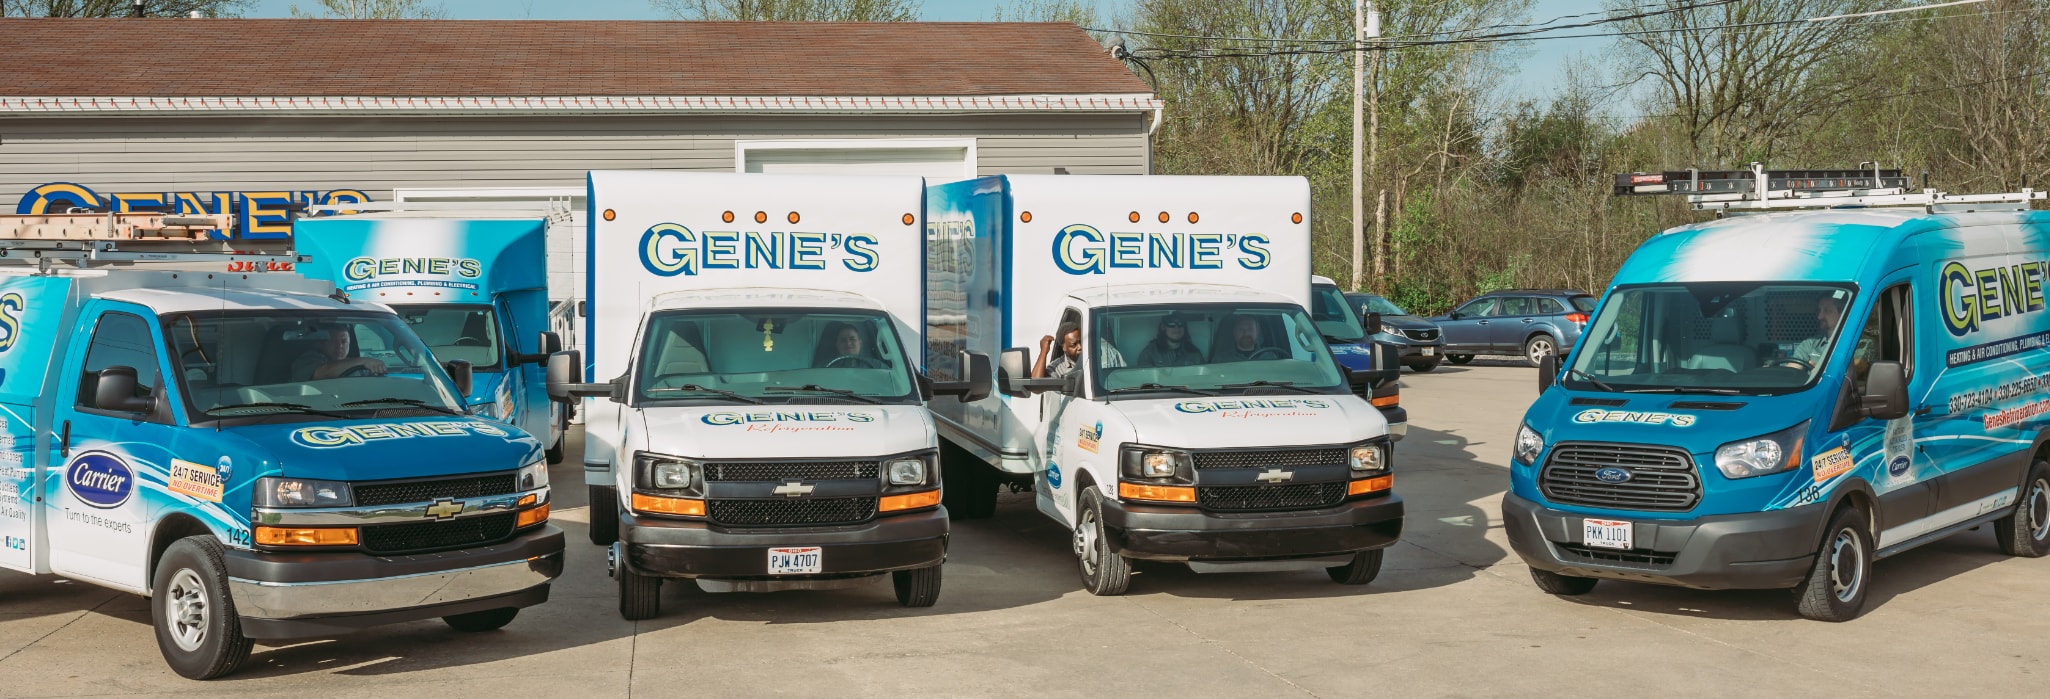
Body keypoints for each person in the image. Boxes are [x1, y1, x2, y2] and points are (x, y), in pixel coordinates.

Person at [292, 324, 385, 380]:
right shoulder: (307, 360)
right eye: (333, 341)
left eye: (344, 341)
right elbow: (321, 373)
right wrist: (362, 361)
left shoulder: (354, 364)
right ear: (321, 344)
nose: (339, 346)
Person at [1033, 322, 1126, 378]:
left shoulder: (1107, 352)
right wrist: (1043, 352)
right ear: (1064, 347)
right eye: (1074, 345)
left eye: (1081, 341)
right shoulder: (1058, 368)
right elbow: (1036, 387)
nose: (1080, 347)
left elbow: (1125, 376)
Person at [1787, 295, 1845, 367]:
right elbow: (1793, 369)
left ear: (1842, 314)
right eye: (1819, 311)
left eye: (1827, 310)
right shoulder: (1810, 343)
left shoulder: (1853, 344)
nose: (1819, 316)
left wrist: (1820, 372)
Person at [1134, 314, 1204, 368]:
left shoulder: (1195, 353)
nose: (1177, 328)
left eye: (1180, 324)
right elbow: (1145, 381)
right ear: (1163, 327)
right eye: (1171, 324)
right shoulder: (1149, 354)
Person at [1212, 315, 1277, 362]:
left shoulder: (1270, 358)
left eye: (1250, 329)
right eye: (1241, 329)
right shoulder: (1221, 359)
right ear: (1234, 332)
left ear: (1258, 331)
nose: (1246, 333)